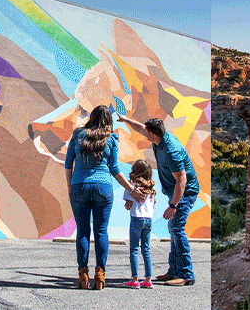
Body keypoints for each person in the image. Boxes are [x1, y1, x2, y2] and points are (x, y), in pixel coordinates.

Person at [65, 105, 143, 290]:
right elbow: (114, 169)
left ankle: (83, 276)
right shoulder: (111, 139)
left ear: (91, 117)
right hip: (103, 188)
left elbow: (68, 164)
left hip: (79, 185)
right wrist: (131, 189)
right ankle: (100, 276)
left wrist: (70, 187)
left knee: (83, 231)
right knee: (101, 231)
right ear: (108, 121)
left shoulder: (77, 135)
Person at [117, 115, 200, 286]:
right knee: (173, 230)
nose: (144, 133)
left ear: (154, 133)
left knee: (176, 228)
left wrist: (173, 205)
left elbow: (181, 180)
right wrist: (125, 120)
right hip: (175, 192)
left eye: (148, 131)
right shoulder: (159, 139)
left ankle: (186, 274)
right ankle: (174, 271)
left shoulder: (170, 150)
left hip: (185, 193)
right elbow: (141, 127)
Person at [122, 159, 157, 289]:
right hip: (148, 220)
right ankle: (148, 279)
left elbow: (128, 205)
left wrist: (128, 203)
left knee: (134, 249)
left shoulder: (132, 186)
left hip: (136, 218)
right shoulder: (151, 187)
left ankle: (135, 279)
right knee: (146, 249)